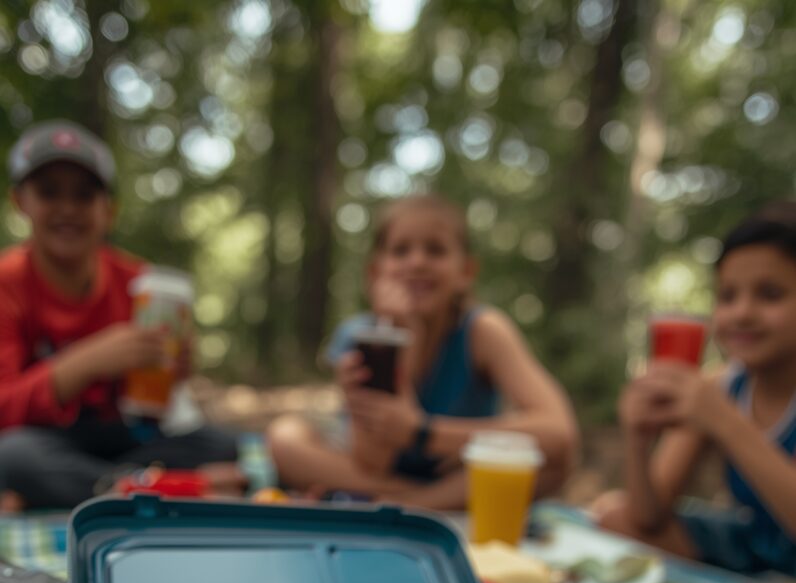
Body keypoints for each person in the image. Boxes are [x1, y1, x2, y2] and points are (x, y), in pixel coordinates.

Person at [268, 194, 578, 508]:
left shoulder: (483, 331)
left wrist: (423, 433)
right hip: (378, 473)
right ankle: (413, 499)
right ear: (375, 272)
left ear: (466, 272)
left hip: (455, 471)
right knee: (285, 438)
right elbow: (373, 460)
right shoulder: (360, 336)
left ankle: (411, 503)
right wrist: (403, 339)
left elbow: (558, 432)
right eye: (400, 251)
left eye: (436, 250)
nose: (417, 263)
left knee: (552, 464)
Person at [0, 120, 242, 510]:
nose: (67, 209)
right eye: (49, 193)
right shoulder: (6, 283)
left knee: (221, 444)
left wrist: (176, 368)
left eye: (83, 195)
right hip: (46, 439)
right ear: (21, 202)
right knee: (12, 456)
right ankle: (152, 487)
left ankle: (100, 486)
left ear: (107, 210)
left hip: (124, 438)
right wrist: (87, 362)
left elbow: (158, 403)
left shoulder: (141, 284)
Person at [596, 203, 796, 574]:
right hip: (757, 550)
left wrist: (725, 422)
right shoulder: (723, 386)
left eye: (769, 294)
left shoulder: (717, 403)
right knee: (614, 517)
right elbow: (648, 519)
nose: (741, 313)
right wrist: (637, 438)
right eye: (728, 296)